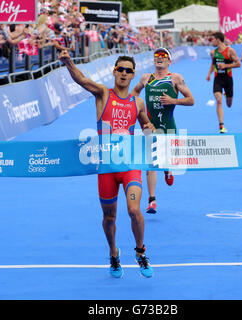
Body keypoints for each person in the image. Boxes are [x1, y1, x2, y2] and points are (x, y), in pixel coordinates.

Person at [58, 47, 156, 279]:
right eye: (120, 69)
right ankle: (113, 253)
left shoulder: (137, 102)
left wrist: (149, 128)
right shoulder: (103, 94)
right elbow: (81, 79)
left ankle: (140, 252)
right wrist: (68, 62)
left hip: (130, 166)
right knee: (109, 218)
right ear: (114, 72)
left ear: (133, 75)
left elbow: (145, 125)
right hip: (107, 169)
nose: (123, 73)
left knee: (134, 211)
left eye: (128, 70)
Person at [131, 47, 195, 214]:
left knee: (165, 159)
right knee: (150, 164)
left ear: (169, 61)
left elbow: (191, 100)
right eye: (156, 56)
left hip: (168, 125)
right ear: (153, 60)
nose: (159, 58)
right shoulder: (146, 78)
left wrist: (173, 100)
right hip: (149, 126)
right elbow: (135, 92)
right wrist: (134, 105)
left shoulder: (175, 78)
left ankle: (167, 169)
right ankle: (152, 200)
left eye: (163, 56)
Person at [206, 32, 241, 134]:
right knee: (219, 100)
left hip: (228, 79)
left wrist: (225, 66)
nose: (212, 41)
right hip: (218, 79)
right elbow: (213, 64)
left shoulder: (230, 51)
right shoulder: (213, 52)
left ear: (218, 40)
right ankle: (221, 125)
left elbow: (238, 64)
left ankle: (226, 95)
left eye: (213, 39)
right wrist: (209, 74)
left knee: (229, 104)